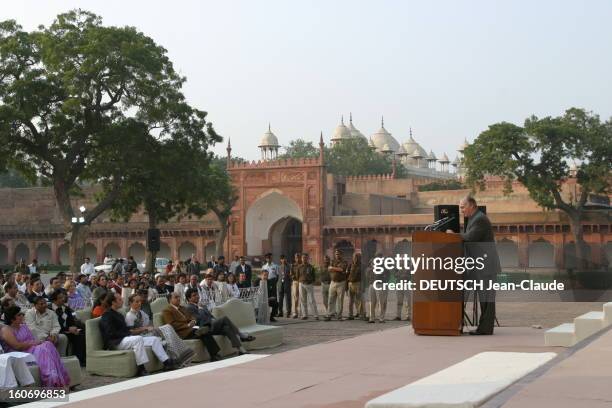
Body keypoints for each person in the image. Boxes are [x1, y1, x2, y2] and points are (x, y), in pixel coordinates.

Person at [447, 196, 500, 335]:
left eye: (463, 207)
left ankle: (485, 329)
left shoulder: (480, 219)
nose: (461, 210)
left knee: (487, 299)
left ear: (472, 205)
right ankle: (483, 328)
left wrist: (453, 235)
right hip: (479, 265)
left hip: (486, 266)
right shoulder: (473, 218)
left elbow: (470, 237)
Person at [99, 293, 175, 376]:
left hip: (124, 339)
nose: (122, 301)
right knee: (137, 339)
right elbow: (111, 333)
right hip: (115, 342)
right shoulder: (107, 315)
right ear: (113, 302)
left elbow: (125, 329)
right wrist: (129, 333)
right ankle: (141, 369)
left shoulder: (119, 314)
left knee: (154, 339)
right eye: (119, 299)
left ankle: (167, 362)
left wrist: (135, 330)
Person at [1, 306, 70, 388]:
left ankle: (54, 378)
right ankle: (50, 379)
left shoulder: (24, 326)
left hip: (31, 349)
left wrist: (36, 343)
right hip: (19, 354)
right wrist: (34, 343)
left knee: (48, 344)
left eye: (22, 314)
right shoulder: (6, 330)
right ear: (12, 318)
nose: (22, 316)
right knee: (43, 348)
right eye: (19, 315)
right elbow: (17, 346)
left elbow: (32, 340)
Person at [184, 288, 254, 355]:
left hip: (212, 325)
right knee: (224, 318)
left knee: (226, 328)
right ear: (189, 298)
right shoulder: (189, 307)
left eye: (197, 294)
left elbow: (210, 316)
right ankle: (241, 335)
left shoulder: (202, 305)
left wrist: (214, 320)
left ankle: (241, 349)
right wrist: (200, 309)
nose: (197, 296)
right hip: (204, 328)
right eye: (194, 295)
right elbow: (198, 320)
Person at [162, 292, 222, 362]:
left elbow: (191, 317)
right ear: (170, 300)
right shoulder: (167, 310)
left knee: (205, 332)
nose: (178, 299)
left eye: (179, 297)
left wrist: (193, 321)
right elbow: (171, 324)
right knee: (203, 331)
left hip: (193, 328)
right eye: (176, 297)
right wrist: (187, 325)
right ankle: (214, 355)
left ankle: (214, 355)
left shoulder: (182, 308)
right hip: (182, 332)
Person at [49, 291, 86, 366]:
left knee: (80, 334)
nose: (63, 299)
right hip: (56, 331)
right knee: (74, 336)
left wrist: (74, 328)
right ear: (54, 300)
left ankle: (81, 359)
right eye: (60, 298)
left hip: (67, 330)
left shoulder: (65, 308)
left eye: (63, 297)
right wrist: (68, 329)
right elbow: (52, 325)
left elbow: (71, 321)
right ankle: (77, 360)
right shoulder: (50, 310)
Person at [325, 250, 348, 321]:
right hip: (333, 282)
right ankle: (329, 314)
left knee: (340, 300)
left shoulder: (344, 262)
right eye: (336, 254)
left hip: (341, 283)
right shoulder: (333, 261)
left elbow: (342, 269)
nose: (337, 255)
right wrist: (336, 269)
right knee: (330, 299)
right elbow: (329, 269)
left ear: (341, 255)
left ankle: (339, 315)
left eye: (338, 254)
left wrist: (333, 268)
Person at [367, 255, 389, 323]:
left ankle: (381, 318)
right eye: (372, 262)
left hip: (380, 285)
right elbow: (367, 276)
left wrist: (384, 281)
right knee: (371, 302)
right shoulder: (369, 269)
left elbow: (388, 275)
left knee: (381, 302)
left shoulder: (383, 267)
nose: (373, 263)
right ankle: (371, 318)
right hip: (371, 285)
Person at [298, 253, 318, 320]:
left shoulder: (311, 267)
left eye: (306, 258)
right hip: (301, 284)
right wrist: (301, 280)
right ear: (301, 258)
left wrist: (311, 281)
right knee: (303, 300)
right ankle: (304, 315)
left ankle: (315, 315)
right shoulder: (299, 267)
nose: (304, 259)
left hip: (309, 284)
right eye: (303, 258)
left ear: (308, 259)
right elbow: (297, 275)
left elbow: (314, 276)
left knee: (311, 300)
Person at [347, 253, 364, 320]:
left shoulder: (362, 266)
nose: (355, 259)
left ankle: (360, 314)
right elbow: (347, 274)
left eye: (357, 257)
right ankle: (350, 315)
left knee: (359, 300)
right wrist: (346, 286)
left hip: (358, 284)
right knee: (351, 301)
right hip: (350, 284)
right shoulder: (350, 265)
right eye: (354, 257)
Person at [289, 253, 301, 319]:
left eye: (298, 257)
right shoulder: (293, 265)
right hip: (295, 282)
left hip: (302, 282)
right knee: (295, 297)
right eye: (296, 257)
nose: (297, 258)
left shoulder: (302, 265)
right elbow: (290, 274)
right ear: (295, 258)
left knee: (302, 297)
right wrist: (292, 276)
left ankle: (302, 312)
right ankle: (294, 312)